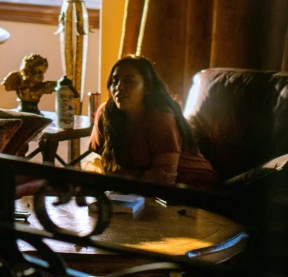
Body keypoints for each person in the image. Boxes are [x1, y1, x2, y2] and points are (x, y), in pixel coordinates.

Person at [89, 55, 218, 190]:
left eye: (129, 81)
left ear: (147, 87)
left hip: (194, 187)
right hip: (140, 190)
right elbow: (98, 167)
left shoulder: (160, 117)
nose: (119, 87)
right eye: (114, 81)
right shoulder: (106, 113)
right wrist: (143, 176)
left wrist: (125, 175)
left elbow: (164, 179)